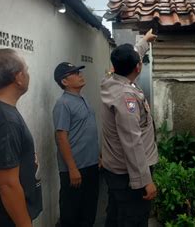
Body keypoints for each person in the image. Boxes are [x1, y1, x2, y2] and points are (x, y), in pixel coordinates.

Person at [0, 48, 42, 227]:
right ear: (18, 78)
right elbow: (7, 185)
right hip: (3, 219)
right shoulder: (4, 121)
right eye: (26, 71)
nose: (28, 75)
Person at [100, 29, 158, 227]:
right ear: (138, 68)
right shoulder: (126, 98)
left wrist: (144, 41)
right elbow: (132, 142)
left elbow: (132, 56)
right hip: (129, 176)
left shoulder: (110, 79)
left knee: (116, 216)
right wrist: (145, 181)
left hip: (115, 171)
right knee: (133, 219)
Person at [52, 62, 100, 227]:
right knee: (71, 216)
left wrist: (98, 156)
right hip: (75, 169)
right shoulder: (63, 104)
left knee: (88, 213)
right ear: (64, 82)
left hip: (91, 166)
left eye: (78, 72)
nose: (80, 75)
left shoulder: (83, 98)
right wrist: (72, 168)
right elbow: (61, 137)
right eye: (75, 73)